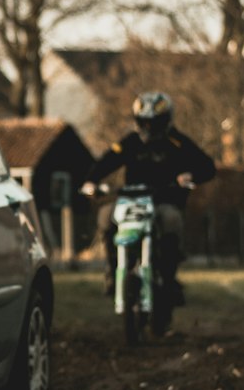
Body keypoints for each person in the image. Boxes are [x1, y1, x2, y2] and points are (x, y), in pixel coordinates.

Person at [80, 91, 216, 304]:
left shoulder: (178, 142)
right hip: (130, 199)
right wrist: (91, 181)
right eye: (145, 122)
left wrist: (191, 175)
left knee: (171, 220)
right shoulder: (131, 142)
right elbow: (106, 161)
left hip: (165, 200)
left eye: (155, 122)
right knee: (106, 216)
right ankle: (112, 269)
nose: (149, 128)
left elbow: (208, 166)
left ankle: (169, 278)